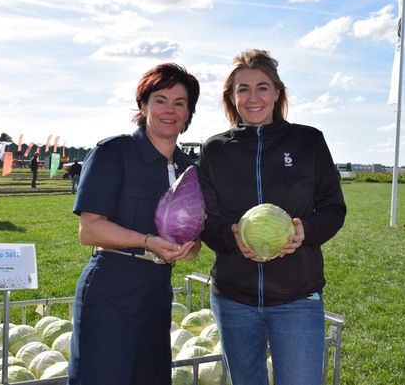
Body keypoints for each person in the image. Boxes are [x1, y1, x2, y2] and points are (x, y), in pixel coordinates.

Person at [199, 49, 347, 385]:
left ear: (277, 92)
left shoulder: (308, 141)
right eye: (243, 89)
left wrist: (304, 231)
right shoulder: (215, 149)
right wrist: (231, 235)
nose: (254, 98)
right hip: (233, 298)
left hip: (297, 297)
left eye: (262, 87)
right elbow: (206, 219)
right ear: (231, 96)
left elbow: (333, 208)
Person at [67, 63, 202, 385]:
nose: (169, 110)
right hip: (112, 287)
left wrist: (190, 248)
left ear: (188, 113)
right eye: (160, 100)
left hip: (158, 290)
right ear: (143, 106)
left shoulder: (189, 169)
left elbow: (195, 240)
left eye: (179, 103)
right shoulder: (113, 153)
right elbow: (90, 230)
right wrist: (147, 241)